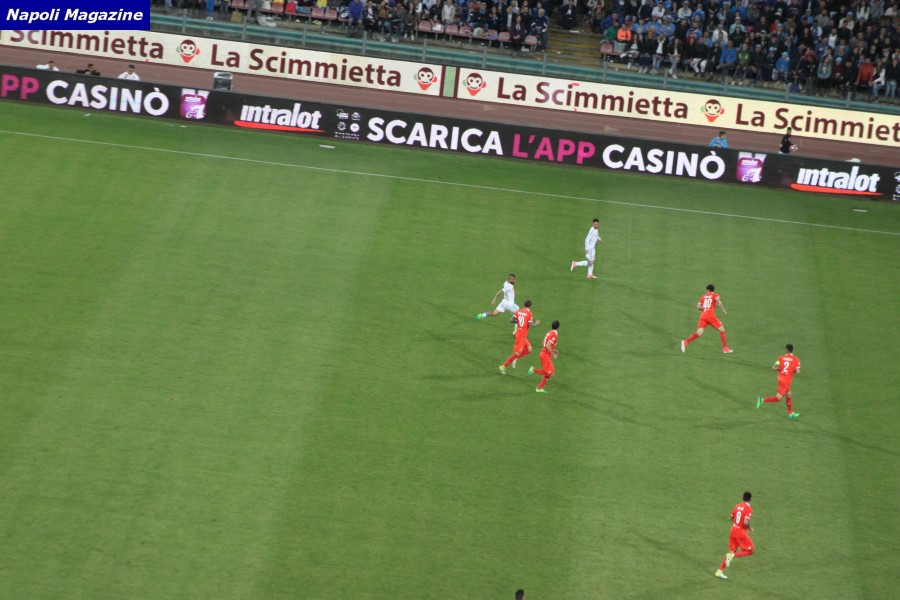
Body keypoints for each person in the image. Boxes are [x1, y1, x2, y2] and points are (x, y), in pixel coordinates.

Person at [680, 284, 732, 354]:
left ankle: (685, 342)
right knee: (722, 330)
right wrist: (724, 311)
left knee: (699, 333)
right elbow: (719, 303)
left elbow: (698, 307)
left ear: (707, 290)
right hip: (710, 316)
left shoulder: (703, 296)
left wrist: (704, 308)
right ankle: (725, 348)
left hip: (703, 316)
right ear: (713, 290)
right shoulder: (715, 295)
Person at [714, 491, 754, 579]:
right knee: (750, 550)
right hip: (740, 531)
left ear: (743, 497)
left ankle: (719, 571)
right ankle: (732, 556)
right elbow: (746, 522)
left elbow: (731, 518)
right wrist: (750, 528)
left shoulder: (737, 506)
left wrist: (737, 522)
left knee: (731, 551)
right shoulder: (749, 509)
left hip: (733, 529)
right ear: (750, 499)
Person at [757, 344, 801, 419]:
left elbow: (774, 368)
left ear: (786, 350)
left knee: (789, 395)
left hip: (780, 379)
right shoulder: (796, 359)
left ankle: (790, 414)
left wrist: (781, 369)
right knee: (778, 398)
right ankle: (762, 400)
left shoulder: (781, 358)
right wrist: (791, 370)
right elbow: (798, 371)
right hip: (786, 381)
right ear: (792, 350)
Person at [499, 300, 540, 374]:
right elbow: (530, 326)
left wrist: (519, 322)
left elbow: (511, 320)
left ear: (524, 305)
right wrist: (536, 324)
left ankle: (515, 358)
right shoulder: (529, 314)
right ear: (530, 306)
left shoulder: (519, 311)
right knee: (517, 353)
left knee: (529, 349)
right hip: (521, 337)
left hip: (520, 334)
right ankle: (503, 366)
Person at [528, 320, 559, 393]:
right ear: (558, 327)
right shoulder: (554, 335)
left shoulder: (549, 332)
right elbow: (547, 345)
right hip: (545, 355)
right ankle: (533, 370)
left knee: (550, 373)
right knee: (548, 372)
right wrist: (553, 354)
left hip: (545, 354)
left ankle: (539, 388)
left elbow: (543, 343)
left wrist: (553, 350)